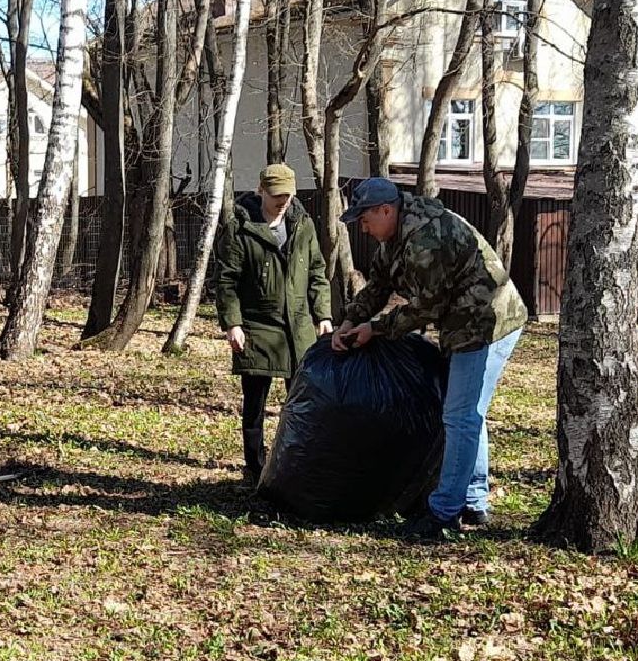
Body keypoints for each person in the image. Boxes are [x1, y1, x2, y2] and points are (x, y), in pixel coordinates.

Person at [332, 177, 528, 539]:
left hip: (488, 322)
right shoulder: (394, 238)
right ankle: (474, 500)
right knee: (467, 413)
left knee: (460, 416)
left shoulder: (426, 238)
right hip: (462, 323)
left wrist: (375, 329)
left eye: (365, 219)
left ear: (386, 210)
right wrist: (350, 319)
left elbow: (426, 307)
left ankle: (444, 513)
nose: (363, 228)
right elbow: (378, 286)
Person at [215, 162, 333, 483]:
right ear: (261, 191)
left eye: (288, 196)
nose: (283, 201)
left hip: (299, 331)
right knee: (255, 405)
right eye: (277, 195)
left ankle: (298, 465)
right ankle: (255, 468)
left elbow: (317, 273)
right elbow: (226, 281)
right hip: (257, 329)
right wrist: (233, 324)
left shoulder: (303, 226)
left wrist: (323, 316)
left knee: (302, 405)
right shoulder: (240, 229)